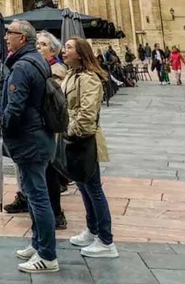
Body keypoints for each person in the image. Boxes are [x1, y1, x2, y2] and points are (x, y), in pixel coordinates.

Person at [0, 20, 58, 274]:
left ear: (22, 38)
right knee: (34, 196)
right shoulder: (36, 60)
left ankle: (47, 256)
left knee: (38, 197)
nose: (5, 37)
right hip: (37, 135)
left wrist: (5, 126)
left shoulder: (23, 66)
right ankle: (38, 243)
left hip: (29, 139)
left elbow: (16, 106)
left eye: (9, 33)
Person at [61, 38, 119, 259]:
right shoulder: (70, 75)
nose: (64, 51)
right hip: (73, 137)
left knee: (93, 187)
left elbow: (87, 114)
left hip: (85, 139)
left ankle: (106, 241)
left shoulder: (89, 79)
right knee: (83, 185)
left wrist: (70, 132)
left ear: (81, 54)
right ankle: (92, 229)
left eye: (68, 48)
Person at [35, 32, 68, 230]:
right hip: (40, 127)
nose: (38, 47)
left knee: (49, 170)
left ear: (53, 50)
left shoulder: (56, 71)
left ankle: (55, 212)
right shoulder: (41, 68)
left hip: (51, 126)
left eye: (43, 44)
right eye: (37, 44)